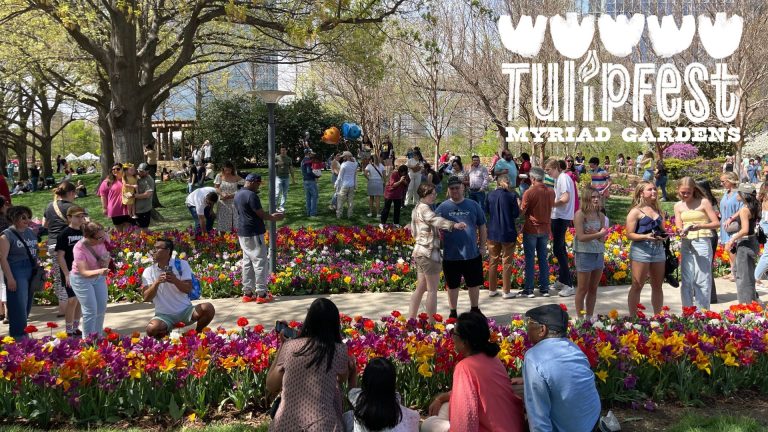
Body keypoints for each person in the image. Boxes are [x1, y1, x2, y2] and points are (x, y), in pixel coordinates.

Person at [422, 312, 525, 432]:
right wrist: (440, 399)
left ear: (465, 341)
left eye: (454, 333)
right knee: (445, 405)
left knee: (428, 424)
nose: (452, 338)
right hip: (513, 426)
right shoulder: (493, 359)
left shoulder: (464, 367)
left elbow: (466, 418)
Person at [266, 298, 352, 431]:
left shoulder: (290, 346)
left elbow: (271, 385)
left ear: (308, 320)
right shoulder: (339, 350)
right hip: (324, 426)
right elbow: (342, 379)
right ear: (335, 324)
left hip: (284, 424)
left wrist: (282, 347)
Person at [521, 304, 601, 432]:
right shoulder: (573, 348)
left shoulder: (533, 357)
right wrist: (526, 379)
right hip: (592, 422)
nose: (527, 328)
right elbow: (563, 378)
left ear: (542, 329)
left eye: (529, 323)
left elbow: (538, 417)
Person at [409, 183, 466, 321]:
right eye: (432, 194)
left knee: (421, 288)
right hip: (429, 253)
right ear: (424, 194)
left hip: (419, 251)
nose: (435, 196)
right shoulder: (425, 208)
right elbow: (436, 220)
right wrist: (454, 225)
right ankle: (431, 323)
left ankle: (411, 319)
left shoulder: (416, 208)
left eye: (435, 193)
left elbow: (413, 231)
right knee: (432, 290)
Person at [435, 176, 487, 319]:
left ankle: (475, 309)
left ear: (463, 188)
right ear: (448, 190)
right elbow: (433, 224)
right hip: (451, 255)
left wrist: (482, 246)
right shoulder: (443, 207)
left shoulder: (473, 205)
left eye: (457, 188)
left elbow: (482, 225)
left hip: (472, 253)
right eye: (452, 188)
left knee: (474, 284)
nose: (455, 191)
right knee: (452, 285)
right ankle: (453, 312)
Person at [141, 238, 216, 338]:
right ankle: (166, 334)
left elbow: (188, 289)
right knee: (152, 329)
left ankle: (197, 334)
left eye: (158, 248)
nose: (154, 251)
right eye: (154, 248)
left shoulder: (181, 264)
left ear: (168, 251)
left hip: (186, 312)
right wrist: (156, 283)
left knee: (208, 308)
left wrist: (175, 280)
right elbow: (146, 298)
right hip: (164, 316)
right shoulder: (149, 271)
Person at [235, 173, 285, 302]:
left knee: (247, 262)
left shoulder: (238, 194)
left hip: (242, 231)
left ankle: (247, 293)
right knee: (259, 262)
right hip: (254, 232)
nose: (258, 186)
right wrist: (274, 217)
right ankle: (261, 294)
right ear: (252, 182)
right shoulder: (251, 196)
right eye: (257, 184)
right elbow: (261, 214)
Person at [674, 177, 719, 311]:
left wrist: (700, 226)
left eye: (688, 192)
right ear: (678, 190)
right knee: (686, 279)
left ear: (694, 189)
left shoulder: (703, 202)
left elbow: (716, 223)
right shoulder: (678, 205)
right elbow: (678, 224)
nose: (685, 195)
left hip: (702, 240)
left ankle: (702, 312)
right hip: (686, 241)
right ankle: (687, 311)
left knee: (702, 278)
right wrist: (680, 231)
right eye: (682, 192)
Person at [343, 357, 420, 432]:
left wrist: (353, 372)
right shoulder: (411, 417)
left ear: (365, 382)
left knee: (348, 417)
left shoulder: (359, 403)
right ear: (393, 384)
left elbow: (351, 392)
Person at [626, 181, 666, 317]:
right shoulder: (635, 211)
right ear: (641, 193)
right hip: (641, 250)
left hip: (658, 249)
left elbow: (663, 230)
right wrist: (646, 236)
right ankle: (633, 318)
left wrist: (664, 235)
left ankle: (658, 317)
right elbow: (629, 234)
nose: (654, 191)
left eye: (655, 189)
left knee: (658, 286)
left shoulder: (658, 210)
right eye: (650, 189)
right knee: (637, 285)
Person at [0, 206, 38, 339]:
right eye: (23, 217)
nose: (27, 220)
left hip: (31, 269)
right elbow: (3, 259)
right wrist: (10, 278)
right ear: (14, 218)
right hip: (16, 270)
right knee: (18, 304)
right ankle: (18, 336)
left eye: (28, 217)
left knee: (27, 304)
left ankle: (23, 332)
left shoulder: (30, 232)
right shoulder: (6, 235)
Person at [69, 221, 111, 337]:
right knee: (90, 310)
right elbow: (84, 272)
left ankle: (98, 336)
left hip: (98, 277)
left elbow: (107, 253)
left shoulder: (104, 238)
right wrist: (100, 271)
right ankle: (87, 340)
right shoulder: (79, 248)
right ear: (87, 237)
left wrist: (106, 261)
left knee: (101, 308)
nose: (102, 239)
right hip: (81, 280)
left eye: (103, 235)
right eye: (99, 238)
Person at [43, 181, 78, 319]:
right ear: (70, 193)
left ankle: (62, 307)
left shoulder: (49, 206)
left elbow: (45, 224)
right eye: (74, 193)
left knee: (59, 276)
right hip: (68, 244)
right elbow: (82, 223)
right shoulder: (72, 207)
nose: (75, 196)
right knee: (72, 273)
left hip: (52, 243)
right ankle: (73, 303)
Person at [519, 167, 555, 298]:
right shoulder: (551, 191)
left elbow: (522, 211)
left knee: (530, 260)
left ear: (533, 178)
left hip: (531, 228)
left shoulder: (529, 192)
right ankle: (544, 288)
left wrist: (518, 205)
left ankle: (529, 289)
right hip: (545, 228)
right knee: (543, 259)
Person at [573, 186, 608, 318]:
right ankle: (580, 319)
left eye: (598, 197)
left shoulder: (601, 215)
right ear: (586, 198)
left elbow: (602, 239)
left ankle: (589, 318)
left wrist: (597, 234)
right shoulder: (580, 214)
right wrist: (597, 234)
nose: (596, 199)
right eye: (593, 197)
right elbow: (581, 237)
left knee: (593, 288)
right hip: (584, 254)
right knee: (582, 289)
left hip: (598, 254)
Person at [484, 175, 519, 299]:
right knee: (507, 263)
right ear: (508, 183)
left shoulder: (490, 195)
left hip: (493, 232)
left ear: (497, 183)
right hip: (508, 232)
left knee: (493, 261)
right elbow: (516, 214)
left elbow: (486, 211)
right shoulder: (512, 196)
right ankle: (506, 291)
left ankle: (492, 289)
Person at [725, 184, 761, 304]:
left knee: (742, 276)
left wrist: (732, 240)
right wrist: (731, 217)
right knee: (747, 273)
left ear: (744, 195)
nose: (736, 194)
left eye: (738, 192)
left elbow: (744, 230)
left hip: (745, 243)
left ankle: (746, 304)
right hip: (753, 240)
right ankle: (752, 299)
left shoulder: (745, 210)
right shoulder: (753, 206)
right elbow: (741, 212)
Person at [545, 159, 576, 297]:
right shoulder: (560, 178)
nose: (547, 173)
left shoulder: (563, 178)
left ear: (555, 167)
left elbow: (565, 198)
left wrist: (551, 204)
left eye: (548, 170)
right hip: (559, 216)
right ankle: (563, 279)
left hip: (561, 217)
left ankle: (569, 285)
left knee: (558, 249)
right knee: (560, 248)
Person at [55, 206, 86, 336]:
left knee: (80, 300)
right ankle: (68, 329)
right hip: (69, 271)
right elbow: (60, 256)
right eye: (77, 216)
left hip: (83, 271)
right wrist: (66, 274)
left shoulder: (85, 231)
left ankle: (75, 327)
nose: (80, 219)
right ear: (69, 217)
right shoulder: (64, 234)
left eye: (82, 216)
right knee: (72, 299)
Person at [697, 179, 720, 304]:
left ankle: (709, 295)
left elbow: (716, 219)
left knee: (705, 265)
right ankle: (709, 294)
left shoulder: (704, 202)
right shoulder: (712, 200)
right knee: (706, 265)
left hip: (707, 234)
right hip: (711, 234)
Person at [98, 163, 132, 231]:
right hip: (115, 208)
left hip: (127, 207)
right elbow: (103, 195)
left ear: (122, 169)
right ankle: (120, 238)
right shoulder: (107, 181)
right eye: (113, 169)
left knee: (128, 228)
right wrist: (104, 208)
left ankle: (126, 238)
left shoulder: (127, 179)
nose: (115, 170)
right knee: (119, 230)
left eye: (118, 169)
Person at [214, 161, 244, 232]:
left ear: (232, 169)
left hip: (234, 201)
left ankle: (234, 237)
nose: (228, 172)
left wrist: (234, 194)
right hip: (223, 202)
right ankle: (222, 237)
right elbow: (216, 188)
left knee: (235, 221)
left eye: (229, 170)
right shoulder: (219, 176)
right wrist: (222, 193)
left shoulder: (235, 176)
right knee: (223, 221)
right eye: (226, 170)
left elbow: (246, 184)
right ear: (223, 169)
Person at [336, 151, 359, 219]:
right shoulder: (355, 164)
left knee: (340, 201)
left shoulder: (344, 165)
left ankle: (339, 215)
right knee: (350, 201)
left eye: (344, 156)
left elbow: (340, 176)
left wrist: (336, 184)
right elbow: (355, 162)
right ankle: (350, 215)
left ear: (347, 156)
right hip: (352, 185)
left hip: (344, 185)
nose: (343, 158)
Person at [134, 163, 156, 231]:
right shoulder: (137, 177)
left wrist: (135, 196)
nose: (139, 172)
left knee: (144, 229)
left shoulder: (149, 180)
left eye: (141, 171)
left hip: (144, 210)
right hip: (135, 210)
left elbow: (148, 194)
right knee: (136, 229)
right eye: (138, 170)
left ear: (147, 171)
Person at [301, 149, 321, 217]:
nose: (312, 154)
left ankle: (308, 212)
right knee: (314, 196)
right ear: (308, 153)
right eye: (311, 153)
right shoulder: (307, 161)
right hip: (310, 181)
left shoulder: (303, 160)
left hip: (305, 180)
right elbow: (309, 171)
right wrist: (316, 176)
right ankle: (313, 213)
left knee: (308, 197)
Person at [275, 146, 294, 212]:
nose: (283, 151)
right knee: (277, 193)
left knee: (284, 193)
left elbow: (291, 168)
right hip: (278, 178)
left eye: (284, 150)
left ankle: (281, 207)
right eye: (282, 150)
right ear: (280, 151)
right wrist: (277, 163)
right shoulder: (276, 157)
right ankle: (274, 207)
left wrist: (293, 179)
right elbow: (271, 164)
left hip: (286, 178)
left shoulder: (289, 159)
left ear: (286, 151)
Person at [0, 196, 9, 325]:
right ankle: (8, 312)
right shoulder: (5, 220)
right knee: (4, 283)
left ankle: (1, 312)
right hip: (4, 254)